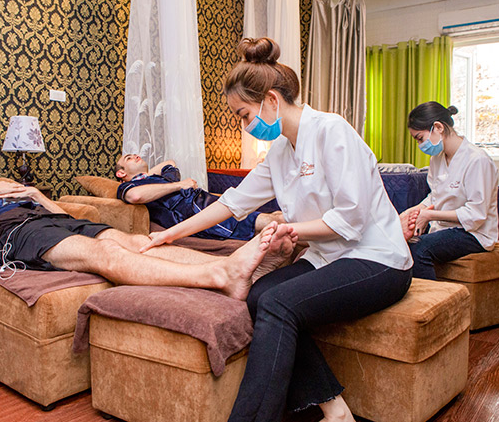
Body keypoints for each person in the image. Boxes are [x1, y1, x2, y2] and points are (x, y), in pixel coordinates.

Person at [142, 38, 413, 422]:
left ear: (271, 100)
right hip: (329, 258)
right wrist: (168, 234)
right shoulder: (281, 152)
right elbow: (231, 202)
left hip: (378, 258)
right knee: (258, 296)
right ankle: (336, 410)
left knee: (278, 303)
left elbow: (351, 219)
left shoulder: (331, 131)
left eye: (244, 115)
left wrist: (292, 230)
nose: (244, 125)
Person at [0, 153, 294, 379]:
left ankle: (236, 266)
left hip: (49, 221)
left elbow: (63, 217)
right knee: (102, 254)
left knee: (139, 241)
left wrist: (35, 194)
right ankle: (218, 275)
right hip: (15, 233)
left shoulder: (17, 190)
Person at [399, 101, 499, 280]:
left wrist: (429, 216)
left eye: (420, 138)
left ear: (438, 127)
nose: (420, 145)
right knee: (401, 244)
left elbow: (476, 214)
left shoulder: (477, 160)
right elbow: (435, 196)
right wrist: (413, 211)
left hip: (474, 233)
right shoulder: (437, 159)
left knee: (419, 249)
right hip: (445, 228)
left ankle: (433, 297)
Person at [115, 155, 283, 240]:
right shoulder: (127, 187)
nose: (135, 156)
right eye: (129, 158)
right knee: (273, 221)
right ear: (121, 173)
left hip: (205, 200)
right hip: (193, 211)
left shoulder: (157, 179)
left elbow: (170, 163)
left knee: (276, 214)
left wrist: (146, 175)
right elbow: (136, 196)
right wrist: (179, 185)